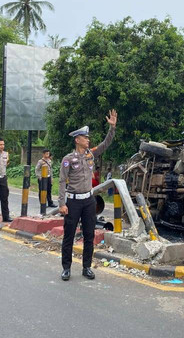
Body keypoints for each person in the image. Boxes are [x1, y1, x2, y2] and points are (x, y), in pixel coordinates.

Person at [59, 109, 117, 281]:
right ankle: (66, 268)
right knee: (69, 235)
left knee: (89, 235)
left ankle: (86, 267)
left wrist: (112, 128)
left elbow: (105, 144)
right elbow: (62, 181)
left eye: (88, 137)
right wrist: (62, 203)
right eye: (85, 137)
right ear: (77, 140)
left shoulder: (91, 154)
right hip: (73, 202)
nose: (88, 139)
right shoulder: (68, 159)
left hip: (89, 201)